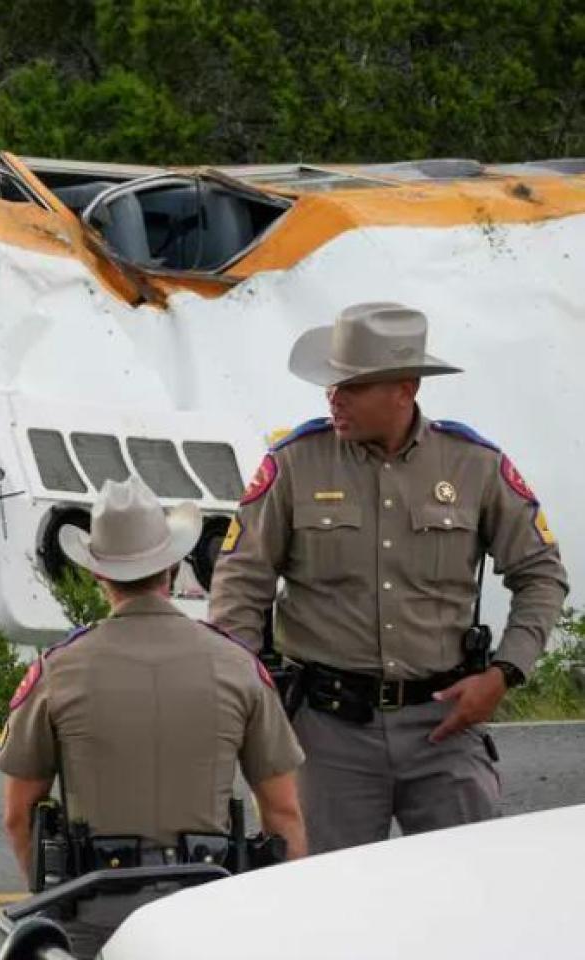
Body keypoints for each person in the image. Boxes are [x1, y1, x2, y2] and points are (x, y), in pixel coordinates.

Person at [209, 301, 568, 854]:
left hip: (444, 727)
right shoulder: (293, 464)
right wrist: (257, 701)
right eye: (332, 384)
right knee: (325, 911)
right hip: (326, 736)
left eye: (352, 386)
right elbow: (239, 588)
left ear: (404, 389)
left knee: (470, 895)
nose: (334, 398)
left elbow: (541, 573)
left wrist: (504, 673)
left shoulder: (474, 465)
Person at [0, 477, 306, 958]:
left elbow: (19, 815)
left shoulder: (57, 672)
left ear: (99, 575)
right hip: (205, 909)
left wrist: (56, 904)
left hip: (96, 913)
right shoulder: (238, 666)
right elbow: (283, 813)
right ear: (174, 564)